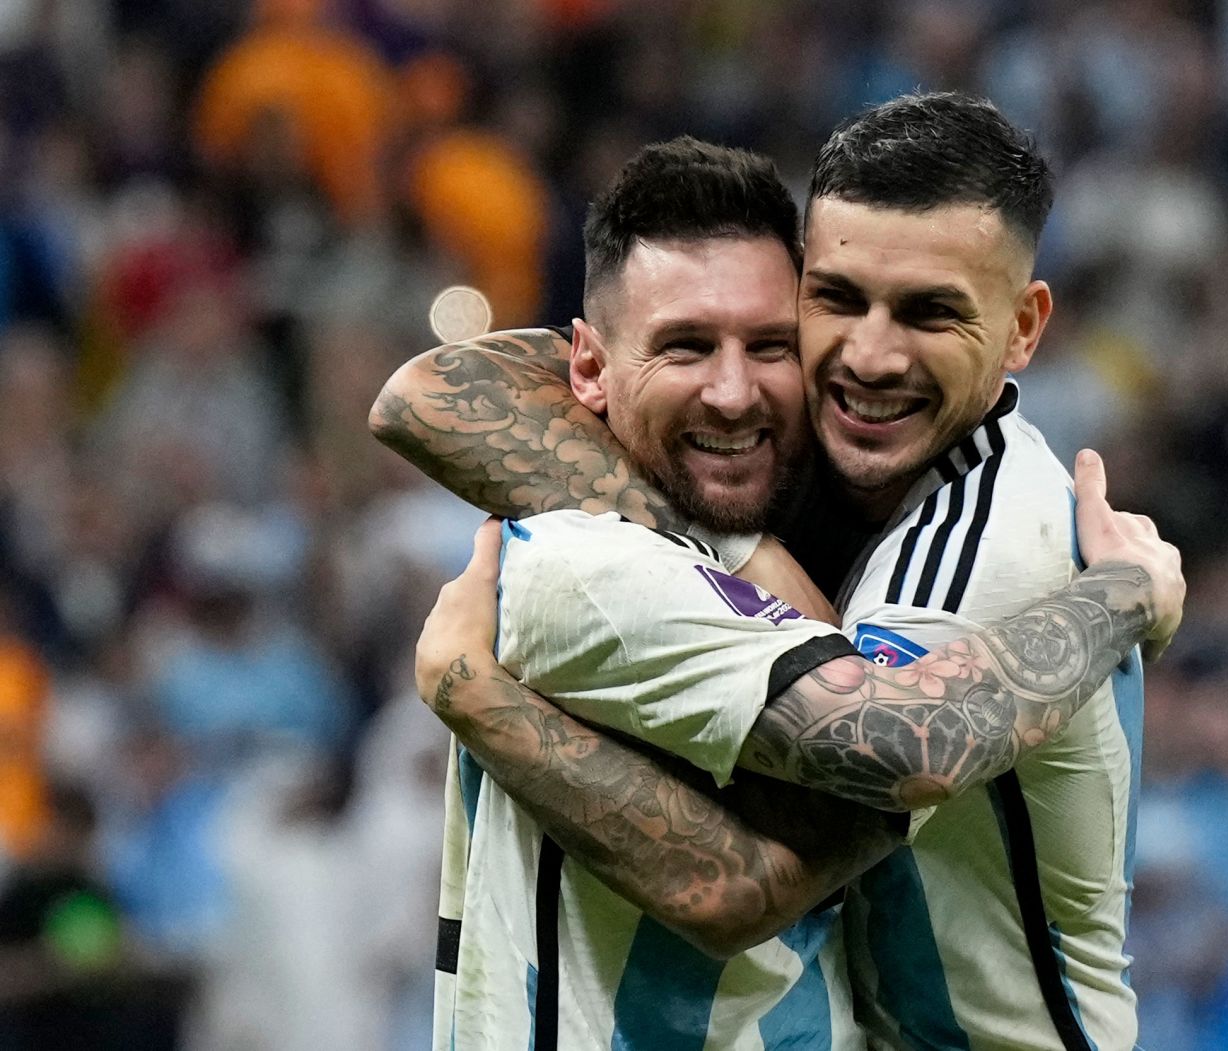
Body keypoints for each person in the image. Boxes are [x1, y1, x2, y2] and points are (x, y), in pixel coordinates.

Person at [377, 98, 1181, 1050]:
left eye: (930, 312)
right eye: (837, 299)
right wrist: (740, 546)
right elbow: (424, 396)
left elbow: (859, 788)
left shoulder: (985, 541)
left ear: (1022, 327)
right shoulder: (817, 475)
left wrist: (1126, 595)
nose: (871, 355)